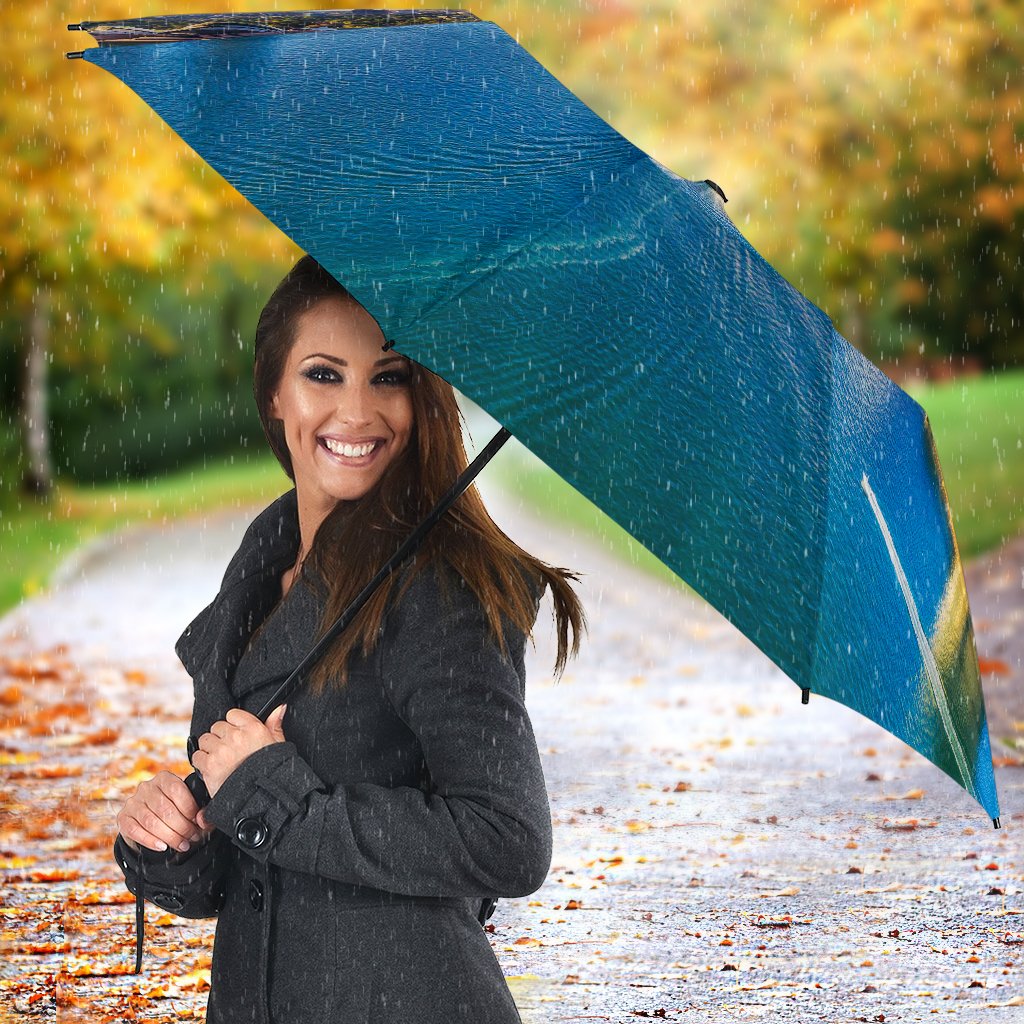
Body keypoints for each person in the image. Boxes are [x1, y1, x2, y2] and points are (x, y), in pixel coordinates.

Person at [112, 255, 586, 1023]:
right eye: (324, 375)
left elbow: (509, 841)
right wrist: (177, 835)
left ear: (421, 396)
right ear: (274, 394)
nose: (358, 411)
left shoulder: (438, 589)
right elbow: (247, 864)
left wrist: (275, 795)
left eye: (388, 377)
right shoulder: (259, 578)